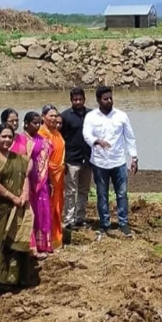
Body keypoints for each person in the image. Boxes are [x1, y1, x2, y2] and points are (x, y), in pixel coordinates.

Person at [0, 124, 37, 289]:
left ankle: (17, 277)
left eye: (10, 137)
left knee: (17, 238)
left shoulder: (18, 158)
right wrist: (13, 197)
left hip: (18, 205)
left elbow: (26, 173)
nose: (6, 140)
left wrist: (25, 194)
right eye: (3, 136)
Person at [83, 86, 139, 240]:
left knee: (122, 194)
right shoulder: (91, 117)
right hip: (100, 162)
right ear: (98, 100)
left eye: (110, 98)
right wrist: (96, 141)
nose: (109, 101)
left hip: (119, 161)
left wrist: (133, 158)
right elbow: (86, 134)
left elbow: (130, 137)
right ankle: (104, 223)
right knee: (102, 194)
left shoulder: (121, 116)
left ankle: (123, 223)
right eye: (105, 99)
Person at [59, 87, 93, 236]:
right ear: (71, 100)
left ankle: (80, 217)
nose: (78, 102)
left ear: (84, 99)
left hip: (88, 159)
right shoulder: (65, 116)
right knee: (70, 191)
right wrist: (63, 160)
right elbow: (60, 139)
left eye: (80, 99)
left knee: (84, 190)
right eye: (75, 100)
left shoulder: (92, 115)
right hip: (72, 159)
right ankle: (68, 220)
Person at [21, 112, 53, 255]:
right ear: (26, 123)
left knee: (43, 211)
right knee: (30, 212)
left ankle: (43, 244)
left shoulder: (42, 140)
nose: (37, 125)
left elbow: (46, 159)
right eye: (34, 123)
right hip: (27, 181)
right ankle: (30, 245)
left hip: (42, 182)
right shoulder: (20, 140)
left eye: (39, 123)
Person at [37, 106, 66, 250]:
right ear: (43, 117)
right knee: (46, 208)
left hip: (59, 177)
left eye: (56, 116)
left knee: (57, 207)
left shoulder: (56, 133)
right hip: (47, 177)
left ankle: (57, 239)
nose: (54, 118)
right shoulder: (41, 134)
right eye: (51, 116)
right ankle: (45, 242)